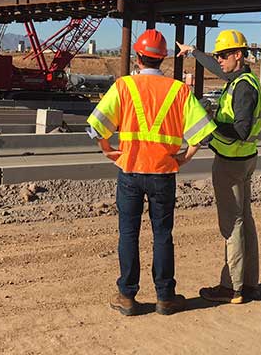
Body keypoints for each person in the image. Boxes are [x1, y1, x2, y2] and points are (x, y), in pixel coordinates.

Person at [87, 29, 216, 316]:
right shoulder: (179, 90)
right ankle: (165, 297)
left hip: (130, 171)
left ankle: (127, 296)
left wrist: (108, 150)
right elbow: (203, 133)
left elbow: (96, 126)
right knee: (162, 235)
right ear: (164, 59)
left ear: (137, 57)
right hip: (163, 173)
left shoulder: (124, 86)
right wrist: (185, 157)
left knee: (128, 234)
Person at [176, 29, 261, 305]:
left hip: (232, 164)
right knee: (244, 220)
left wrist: (207, 121)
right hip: (243, 159)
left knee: (232, 224)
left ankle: (232, 287)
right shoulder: (240, 78)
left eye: (224, 55)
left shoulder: (244, 87)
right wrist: (194, 53)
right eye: (218, 56)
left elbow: (239, 129)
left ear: (238, 55)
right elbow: (218, 68)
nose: (220, 61)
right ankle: (247, 283)